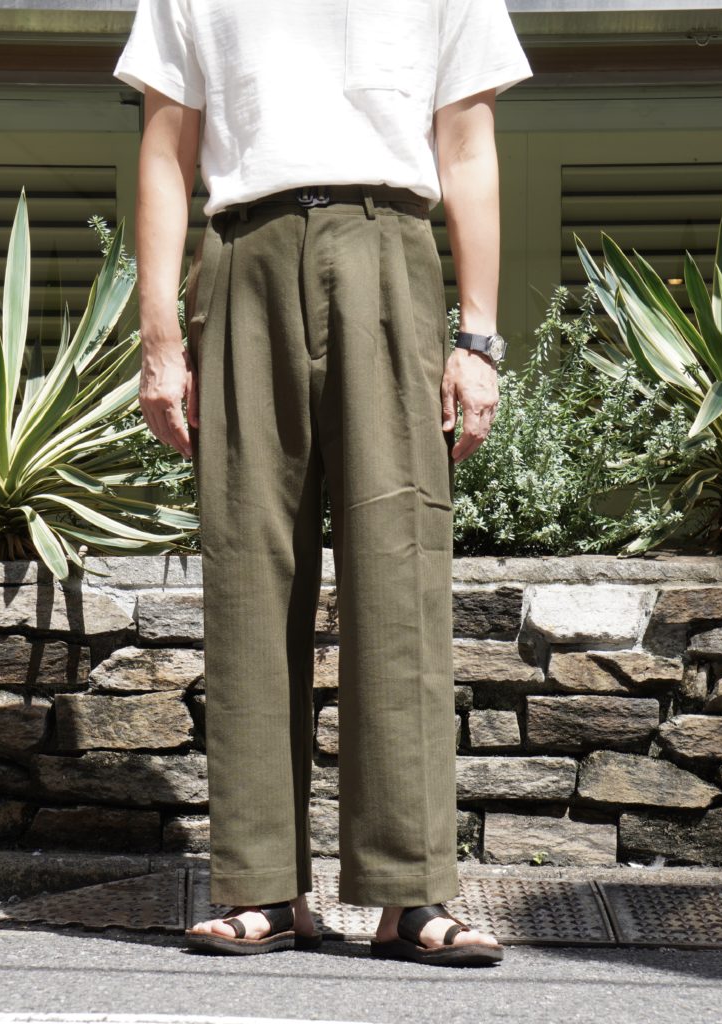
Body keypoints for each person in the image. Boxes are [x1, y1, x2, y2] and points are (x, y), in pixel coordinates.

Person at [114, 0, 533, 967]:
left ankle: (410, 893)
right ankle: (263, 886)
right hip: (243, 255)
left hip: (390, 249)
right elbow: (166, 151)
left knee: (399, 566)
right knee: (248, 566)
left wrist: (477, 338)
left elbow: (467, 145)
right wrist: (160, 335)